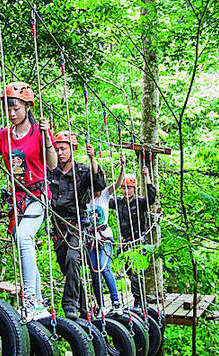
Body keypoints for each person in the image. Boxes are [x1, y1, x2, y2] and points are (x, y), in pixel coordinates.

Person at [0, 82, 57, 319]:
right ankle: (37, 301)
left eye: (15, 107)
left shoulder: (39, 132)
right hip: (17, 200)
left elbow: (53, 164)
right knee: (22, 242)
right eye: (8, 109)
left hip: (37, 196)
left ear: (27, 106)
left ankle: (29, 299)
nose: (12, 113)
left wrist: (47, 136)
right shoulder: (3, 136)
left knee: (23, 237)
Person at [47, 131, 106, 320]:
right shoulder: (51, 171)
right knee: (68, 269)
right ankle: (84, 309)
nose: (60, 152)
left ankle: (70, 305)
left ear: (72, 149)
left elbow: (99, 185)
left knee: (73, 259)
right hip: (58, 226)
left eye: (63, 148)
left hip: (77, 224)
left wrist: (93, 160)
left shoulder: (82, 171)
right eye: (57, 149)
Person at [109, 165, 157, 310]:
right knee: (130, 273)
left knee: (136, 272)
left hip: (137, 241)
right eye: (124, 188)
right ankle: (139, 298)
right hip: (124, 242)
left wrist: (147, 176)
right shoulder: (118, 202)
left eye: (129, 188)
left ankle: (139, 301)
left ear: (134, 189)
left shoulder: (140, 202)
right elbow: (103, 198)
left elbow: (151, 197)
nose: (126, 191)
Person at [86, 153, 126, 315]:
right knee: (94, 272)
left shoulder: (105, 194)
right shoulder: (84, 198)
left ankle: (116, 301)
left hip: (104, 237)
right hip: (90, 238)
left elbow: (117, 184)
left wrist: (122, 167)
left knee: (105, 268)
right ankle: (101, 304)